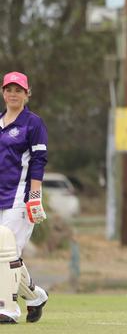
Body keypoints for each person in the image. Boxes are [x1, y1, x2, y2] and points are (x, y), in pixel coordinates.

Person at [0, 71, 49, 323]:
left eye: (18, 90)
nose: (13, 94)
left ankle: (8, 309)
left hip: (19, 195)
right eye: (9, 89)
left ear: (27, 93)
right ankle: (35, 295)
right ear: (2, 92)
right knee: (8, 256)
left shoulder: (33, 123)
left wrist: (35, 197)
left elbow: (39, 161)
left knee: (7, 254)